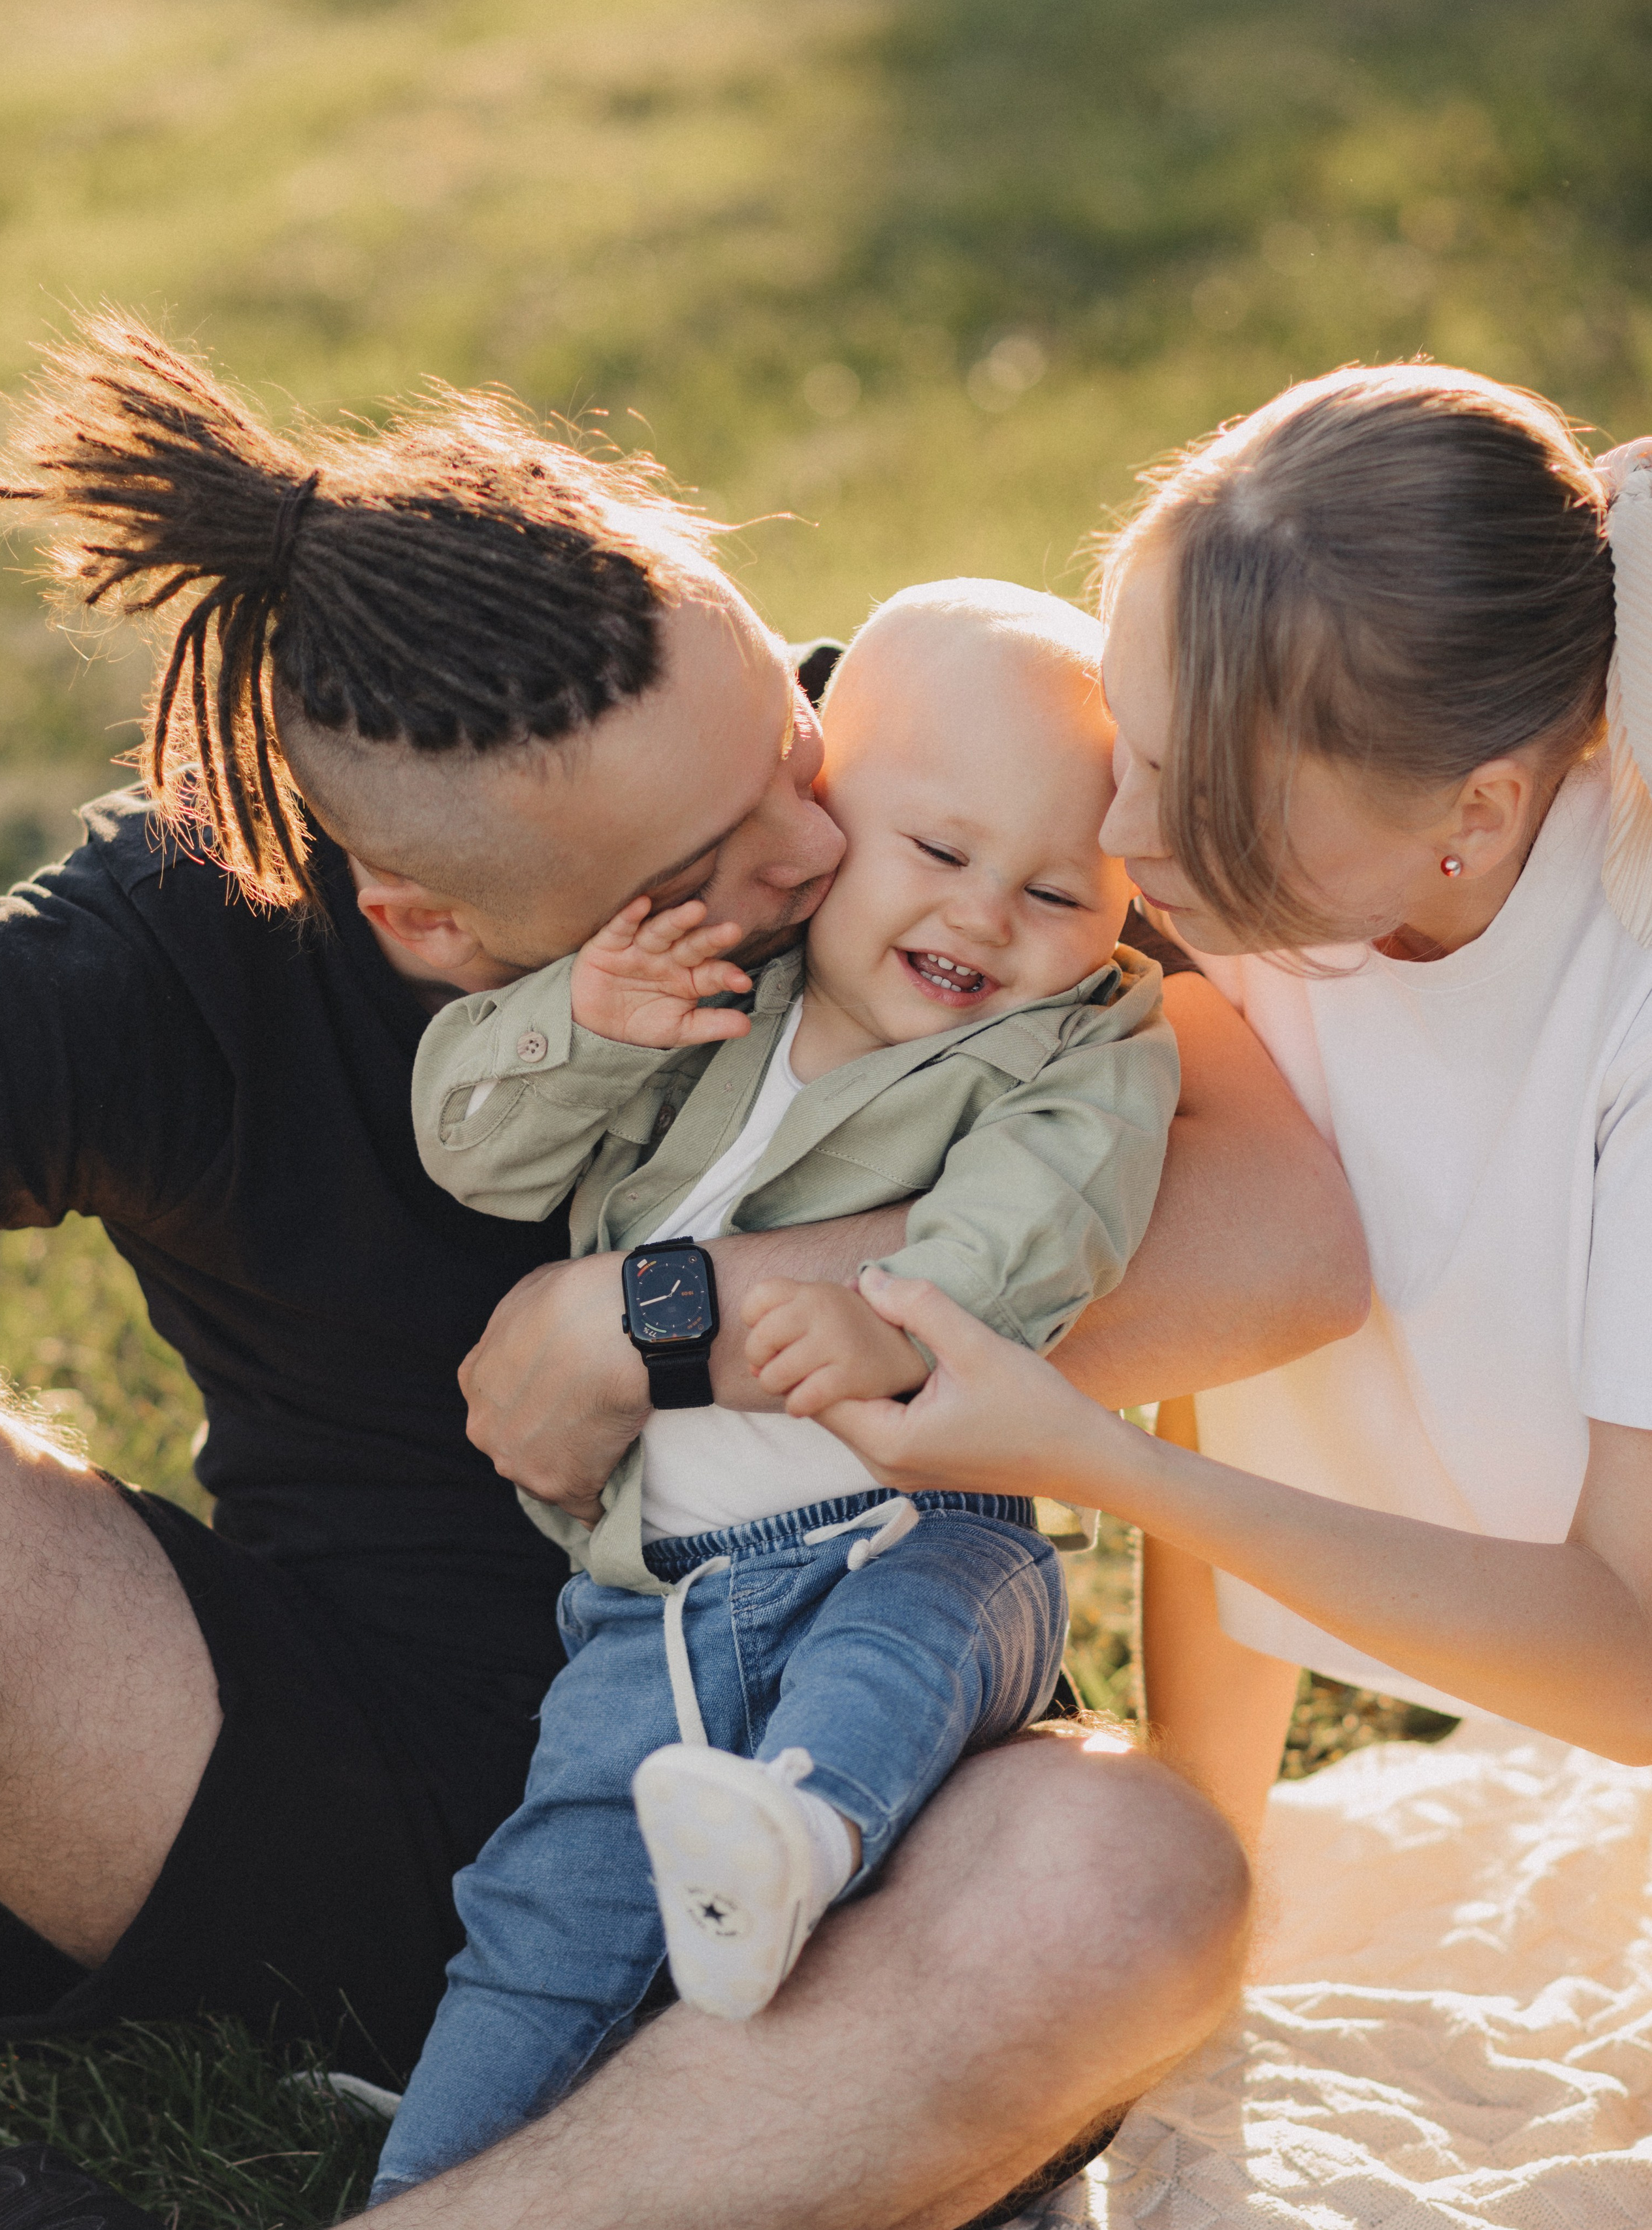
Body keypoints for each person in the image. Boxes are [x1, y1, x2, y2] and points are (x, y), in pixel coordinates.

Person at [0, 316, 1365, 2230]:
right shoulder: (159, 957)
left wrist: (666, 1321)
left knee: (1139, 1873)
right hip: (330, 1771)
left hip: (829, 1781)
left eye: (796, 751)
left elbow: (1295, 1230)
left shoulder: (910, 786)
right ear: (427, 920)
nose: (822, 841)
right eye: (722, 852)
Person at [373, 581, 1178, 2197]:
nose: (986, 920)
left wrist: (917, 1315)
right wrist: (583, 1027)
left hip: (914, 1526)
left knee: (896, 1648)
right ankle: (424, 2183)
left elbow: (1051, 1206)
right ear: (826, 820)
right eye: (937, 854)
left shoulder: (1079, 1047)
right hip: (652, 1604)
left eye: (1055, 891)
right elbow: (472, 1153)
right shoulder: (717, 984)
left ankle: (798, 1837)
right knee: (551, 1900)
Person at [808, 367, 1652, 1867]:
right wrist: (1203, 1858)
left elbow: (1635, 1658)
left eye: (1201, 789)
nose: (1123, 834)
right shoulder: (1257, 891)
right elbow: (1248, 1375)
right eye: (1133, 746)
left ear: (1474, 811)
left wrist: (1098, 1460)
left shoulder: (1624, 1013)